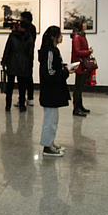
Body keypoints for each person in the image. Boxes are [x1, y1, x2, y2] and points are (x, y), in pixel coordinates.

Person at [38, 25, 76, 156]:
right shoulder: (49, 51)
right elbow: (49, 72)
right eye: (60, 34)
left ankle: (50, 143)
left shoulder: (53, 51)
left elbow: (54, 68)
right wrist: (65, 71)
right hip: (50, 91)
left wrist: (64, 68)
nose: (62, 37)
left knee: (53, 119)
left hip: (54, 91)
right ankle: (47, 147)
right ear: (54, 37)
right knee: (50, 120)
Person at [1, 23, 33, 112]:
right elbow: (30, 53)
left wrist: (4, 61)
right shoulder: (29, 37)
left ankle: (8, 105)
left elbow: (7, 48)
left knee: (10, 85)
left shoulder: (12, 36)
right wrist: (30, 65)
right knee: (22, 85)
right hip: (23, 62)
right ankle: (22, 105)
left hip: (12, 61)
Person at [70, 17, 93, 117]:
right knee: (78, 87)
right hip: (79, 64)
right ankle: (76, 108)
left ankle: (80, 106)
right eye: (83, 23)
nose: (85, 25)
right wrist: (89, 52)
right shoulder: (77, 37)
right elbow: (77, 51)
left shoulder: (81, 36)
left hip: (82, 64)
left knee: (80, 86)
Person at [19, 11, 37, 106]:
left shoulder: (27, 29)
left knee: (23, 77)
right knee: (29, 76)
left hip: (24, 55)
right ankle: (30, 98)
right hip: (30, 55)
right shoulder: (33, 28)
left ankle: (24, 98)